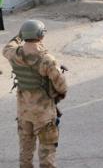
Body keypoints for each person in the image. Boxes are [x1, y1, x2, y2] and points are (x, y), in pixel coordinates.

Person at [3, 20, 67, 168]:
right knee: (47, 152)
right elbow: (61, 86)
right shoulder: (47, 59)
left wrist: (20, 35)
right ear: (41, 35)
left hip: (24, 113)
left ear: (24, 35)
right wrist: (59, 94)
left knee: (25, 151)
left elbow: (7, 47)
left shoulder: (13, 54)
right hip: (44, 115)